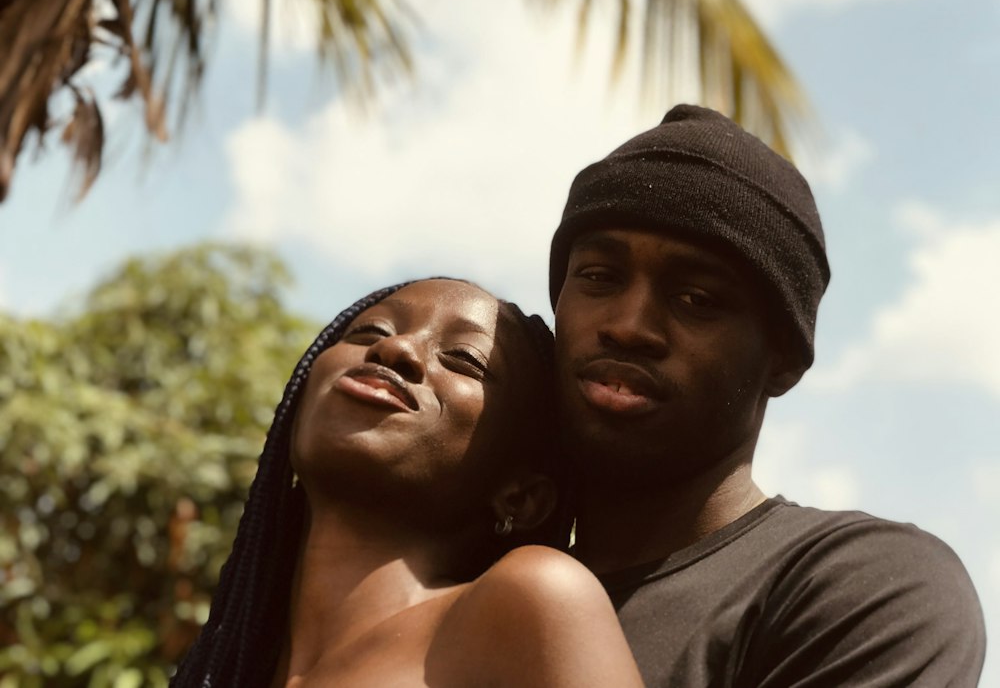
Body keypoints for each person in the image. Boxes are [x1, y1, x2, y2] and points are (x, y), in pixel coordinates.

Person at [548, 103, 986, 687]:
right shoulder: (450, 585)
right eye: (600, 277)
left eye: (697, 299)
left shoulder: (859, 589)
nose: (629, 325)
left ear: (783, 361)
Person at [171, 276, 644, 688]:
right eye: (369, 331)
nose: (395, 349)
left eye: (463, 359)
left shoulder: (531, 600)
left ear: (519, 497)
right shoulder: (227, 666)